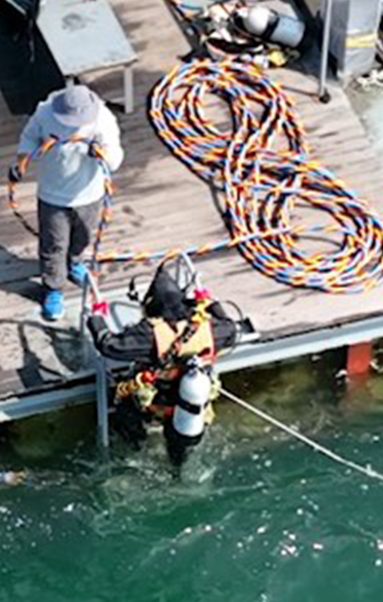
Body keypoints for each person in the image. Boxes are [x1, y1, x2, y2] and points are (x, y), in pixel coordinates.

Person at [86, 259, 242, 467]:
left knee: (121, 410)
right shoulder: (209, 327)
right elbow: (231, 329)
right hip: (191, 406)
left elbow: (110, 346)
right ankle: (178, 465)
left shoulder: (150, 335)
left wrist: (96, 317)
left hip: (155, 403)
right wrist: (211, 304)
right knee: (180, 456)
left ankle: (135, 447)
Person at [12, 83, 124, 323]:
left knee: (82, 237)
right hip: (52, 195)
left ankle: (74, 262)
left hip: (89, 193)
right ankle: (53, 287)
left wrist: (102, 153)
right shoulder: (44, 113)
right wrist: (22, 161)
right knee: (53, 245)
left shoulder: (103, 119)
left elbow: (115, 157)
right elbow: (29, 137)